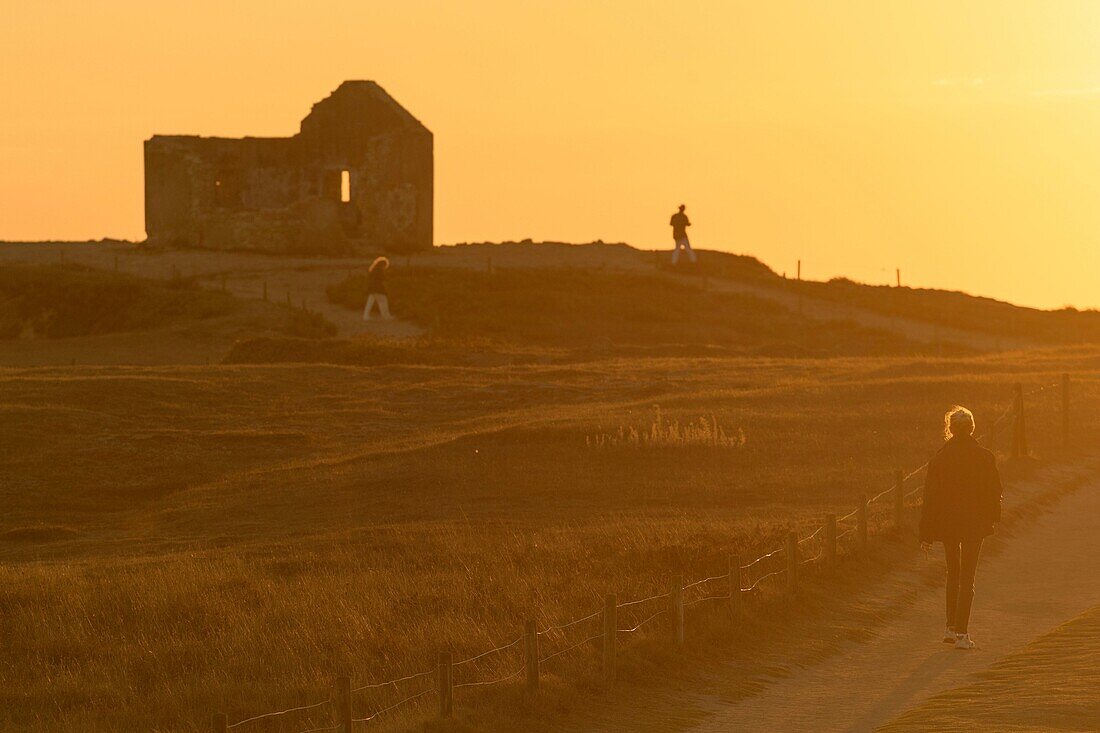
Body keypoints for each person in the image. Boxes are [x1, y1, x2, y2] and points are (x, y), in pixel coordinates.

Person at [918, 405, 1002, 650]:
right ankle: (962, 635)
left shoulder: (939, 459)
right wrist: (992, 518)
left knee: (953, 572)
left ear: (950, 429)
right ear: (972, 428)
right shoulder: (985, 457)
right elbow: (995, 491)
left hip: (948, 524)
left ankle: (950, 627)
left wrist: (926, 533)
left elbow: (930, 497)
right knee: (968, 577)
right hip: (975, 525)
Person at [362, 256, 393, 320]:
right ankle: (386, 316)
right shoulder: (379, 271)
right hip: (378, 289)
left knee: (370, 302)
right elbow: (382, 281)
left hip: (371, 288)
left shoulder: (372, 270)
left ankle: (366, 316)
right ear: (382, 265)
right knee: (383, 301)